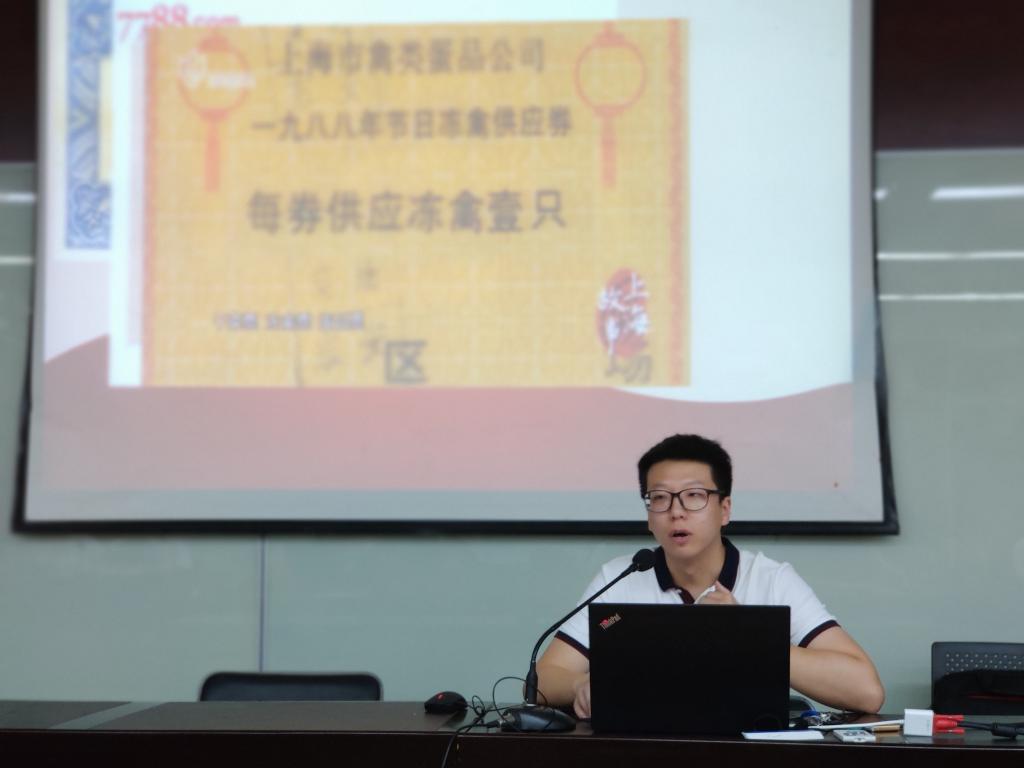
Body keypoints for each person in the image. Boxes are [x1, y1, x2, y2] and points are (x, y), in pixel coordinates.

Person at [535, 433, 885, 718]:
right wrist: (580, 686)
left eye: (694, 496)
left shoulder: (771, 579)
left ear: (725, 509)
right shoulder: (621, 577)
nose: (676, 512)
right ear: (649, 515)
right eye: (660, 498)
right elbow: (541, 680)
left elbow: (866, 692)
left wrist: (748, 636)